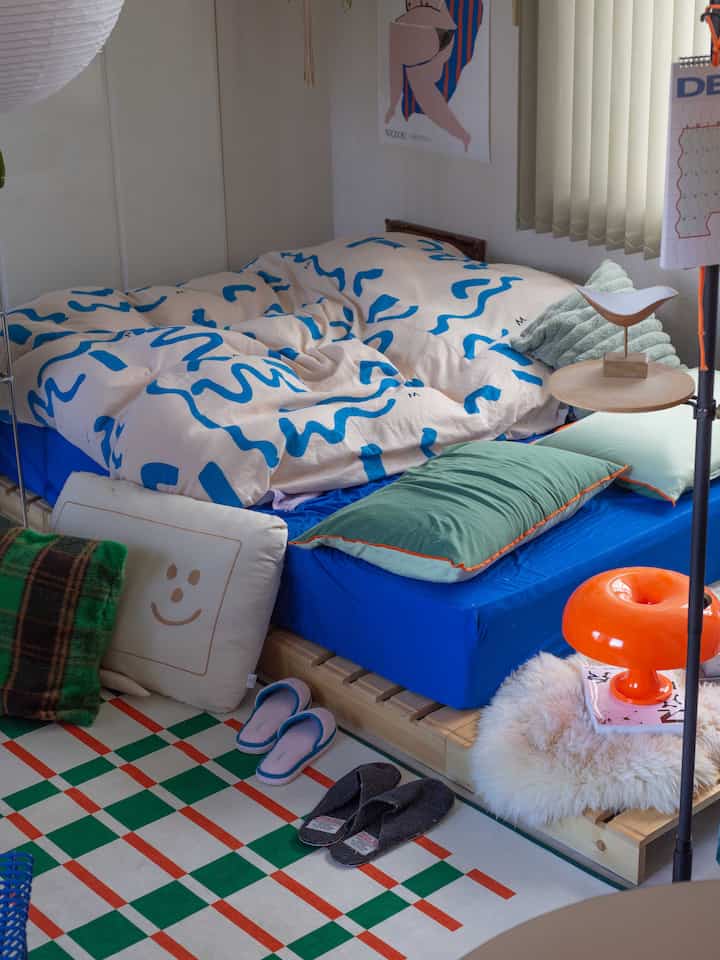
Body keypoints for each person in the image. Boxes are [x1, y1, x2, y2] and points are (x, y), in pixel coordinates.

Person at [385, 0, 471, 152]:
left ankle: (462, 135)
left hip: (430, 30)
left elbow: (395, 69)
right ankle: (462, 136)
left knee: (421, 87)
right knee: (423, 89)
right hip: (446, 31)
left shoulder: (403, 32)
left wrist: (393, 105)